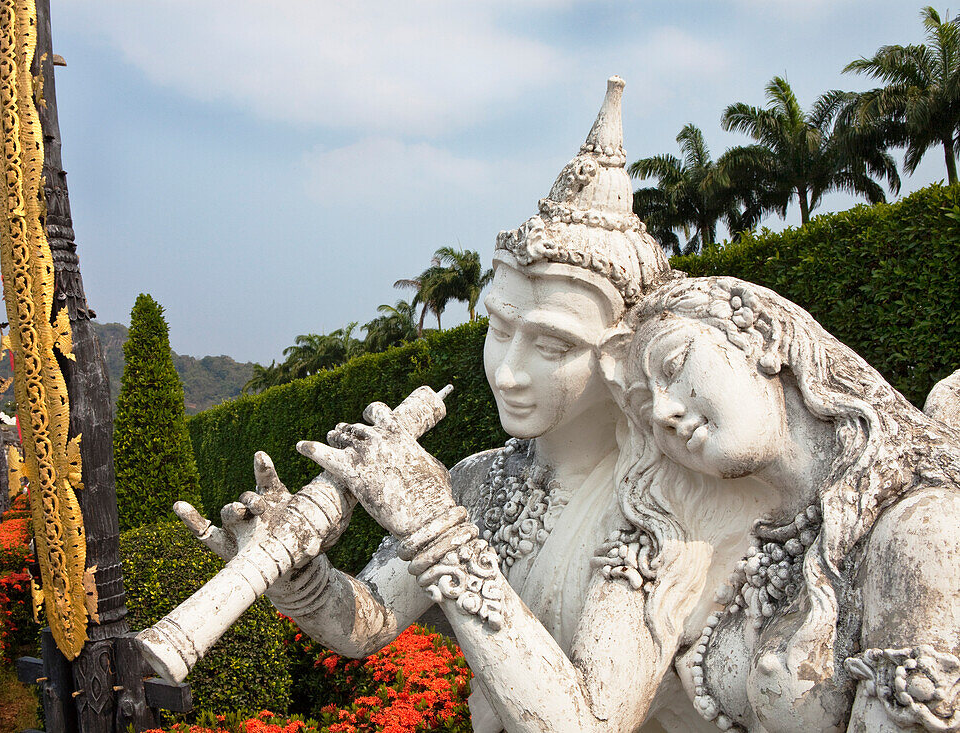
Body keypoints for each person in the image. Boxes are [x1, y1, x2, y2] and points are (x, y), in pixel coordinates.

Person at [202, 77, 683, 732]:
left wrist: (436, 528)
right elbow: (369, 620)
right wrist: (296, 580)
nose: (507, 371)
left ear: (623, 352)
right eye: (499, 327)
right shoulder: (480, 479)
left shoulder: (662, 507)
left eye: (549, 343)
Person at [599, 275, 960, 732]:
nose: (661, 412)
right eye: (643, 404)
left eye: (673, 366)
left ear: (762, 338)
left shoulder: (922, 527)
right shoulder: (759, 546)